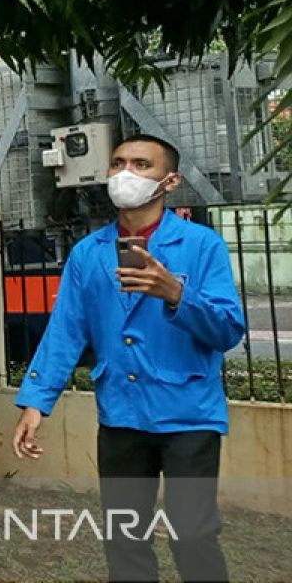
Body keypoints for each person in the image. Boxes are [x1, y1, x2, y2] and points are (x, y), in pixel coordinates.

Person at [13, 134, 245, 582]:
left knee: (192, 535)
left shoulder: (201, 246)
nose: (126, 173)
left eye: (141, 164)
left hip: (189, 414)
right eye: (118, 163)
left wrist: (176, 294)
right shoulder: (88, 253)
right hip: (120, 412)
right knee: (124, 538)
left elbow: (228, 329)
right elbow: (66, 330)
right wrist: (36, 401)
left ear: (170, 180)